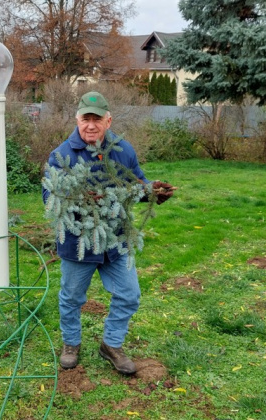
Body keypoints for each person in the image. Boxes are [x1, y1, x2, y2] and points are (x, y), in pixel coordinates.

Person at [42, 91, 173, 375]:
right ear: (77, 120)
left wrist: (151, 191)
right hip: (78, 242)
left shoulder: (123, 150)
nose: (91, 125)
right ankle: (71, 344)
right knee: (72, 297)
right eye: (85, 119)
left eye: (97, 119)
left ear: (108, 121)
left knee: (129, 294)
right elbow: (49, 196)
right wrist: (83, 200)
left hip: (116, 241)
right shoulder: (61, 155)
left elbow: (136, 183)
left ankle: (111, 345)